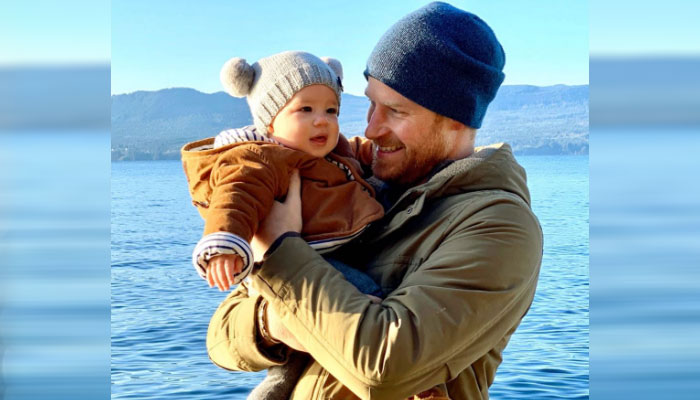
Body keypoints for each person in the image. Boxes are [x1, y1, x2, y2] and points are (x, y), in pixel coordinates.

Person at [206, 2, 543, 399]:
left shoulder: (500, 226)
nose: (370, 128)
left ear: (456, 119)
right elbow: (220, 337)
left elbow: (385, 368)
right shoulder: (352, 179)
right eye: (370, 103)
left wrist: (279, 249)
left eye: (395, 111)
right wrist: (272, 323)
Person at [181, 51, 385, 399]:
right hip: (298, 263)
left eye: (331, 111)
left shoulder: (331, 152)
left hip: (314, 260)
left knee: (292, 361)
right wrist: (224, 244)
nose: (322, 121)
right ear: (270, 121)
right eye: (305, 109)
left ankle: (273, 390)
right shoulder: (260, 160)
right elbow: (236, 197)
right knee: (371, 300)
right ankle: (411, 373)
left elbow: (362, 152)